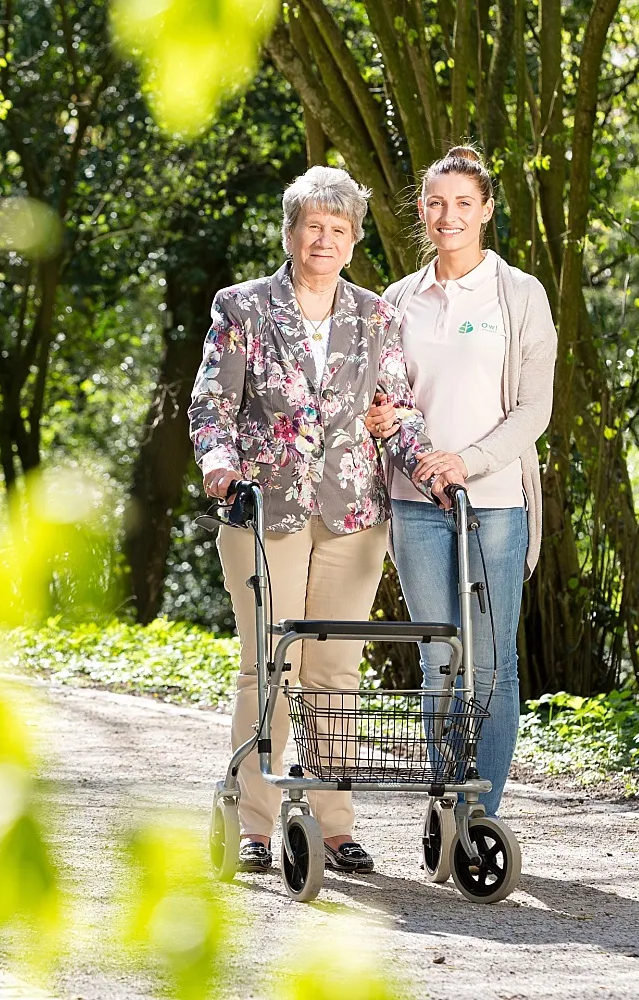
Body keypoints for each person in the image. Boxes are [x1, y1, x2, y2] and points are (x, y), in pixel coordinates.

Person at [188, 165, 456, 874]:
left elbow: (395, 413)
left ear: (354, 239)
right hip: (262, 508)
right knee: (268, 665)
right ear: (291, 233)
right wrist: (219, 466)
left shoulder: (375, 315)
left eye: (339, 228)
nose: (325, 239)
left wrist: (429, 465)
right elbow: (211, 405)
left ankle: (333, 825)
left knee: (335, 671)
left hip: (352, 511)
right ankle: (255, 822)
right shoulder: (242, 307)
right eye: (314, 226)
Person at [366, 146, 557, 816]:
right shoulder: (397, 300)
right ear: (422, 211)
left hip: (496, 504)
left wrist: (465, 462)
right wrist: (387, 426)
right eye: (437, 203)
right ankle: (447, 801)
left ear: (486, 211)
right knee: (440, 661)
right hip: (415, 504)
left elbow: (534, 409)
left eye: (464, 204)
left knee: (491, 663)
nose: (449, 216)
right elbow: (388, 402)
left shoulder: (520, 294)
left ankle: (480, 816)